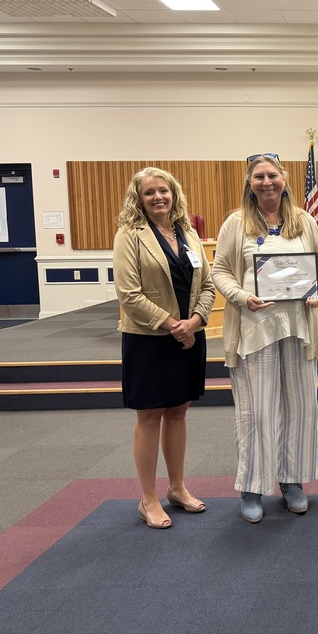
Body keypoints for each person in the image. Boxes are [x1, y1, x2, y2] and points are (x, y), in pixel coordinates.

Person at [211, 153, 318, 523]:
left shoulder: (304, 221)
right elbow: (220, 272)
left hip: (297, 328)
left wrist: (316, 290)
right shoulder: (236, 224)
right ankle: (252, 487)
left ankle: (292, 481)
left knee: (300, 408)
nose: (267, 182)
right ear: (250, 182)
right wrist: (243, 297)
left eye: (272, 175)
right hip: (254, 329)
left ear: (284, 178)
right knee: (257, 412)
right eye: (259, 176)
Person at [114, 167, 215, 529]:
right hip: (149, 339)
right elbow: (129, 294)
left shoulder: (188, 232)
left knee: (178, 412)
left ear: (174, 194)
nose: (158, 197)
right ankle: (149, 498)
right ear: (138, 199)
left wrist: (196, 322)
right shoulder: (130, 234)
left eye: (164, 191)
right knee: (150, 416)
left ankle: (177, 488)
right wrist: (174, 325)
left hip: (190, 335)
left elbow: (207, 283)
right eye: (149, 192)